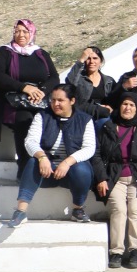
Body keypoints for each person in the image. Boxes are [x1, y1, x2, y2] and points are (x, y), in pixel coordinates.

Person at [8, 83, 96, 228]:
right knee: (32, 161)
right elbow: (30, 141)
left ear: (72, 101)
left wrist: (67, 162)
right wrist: (42, 157)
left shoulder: (85, 120)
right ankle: (20, 211)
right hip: (47, 170)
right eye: (53, 100)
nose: (56, 104)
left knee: (81, 168)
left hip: (71, 173)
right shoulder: (42, 116)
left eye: (61, 100)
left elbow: (89, 148)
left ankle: (78, 209)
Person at [93, 93, 137, 269]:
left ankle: (135, 251)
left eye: (132, 105)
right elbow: (97, 154)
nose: (127, 108)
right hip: (115, 177)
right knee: (119, 210)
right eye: (124, 104)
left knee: (135, 210)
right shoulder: (108, 126)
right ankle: (116, 252)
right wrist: (101, 178)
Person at [0, 19, 59, 154]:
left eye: (25, 31)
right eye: (17, 31)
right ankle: (25, 165)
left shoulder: (40, 54)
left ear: (32, 33)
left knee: (48, 120)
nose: (21, 35)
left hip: (38, 99)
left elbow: (54, 78)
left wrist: (41, 91)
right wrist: (24, 88)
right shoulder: (5, 52)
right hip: (12, 101)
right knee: (25, 120)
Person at [64, 45, 115, 124]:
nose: (91, 61)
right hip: (83, 116)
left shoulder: (109, 81)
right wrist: (81, 59)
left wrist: (111, 107)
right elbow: (69, 82)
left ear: (100, 61)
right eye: (88, 58)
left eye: (95, 58)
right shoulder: (79, 79)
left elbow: (115, 97)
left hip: (103, 117)